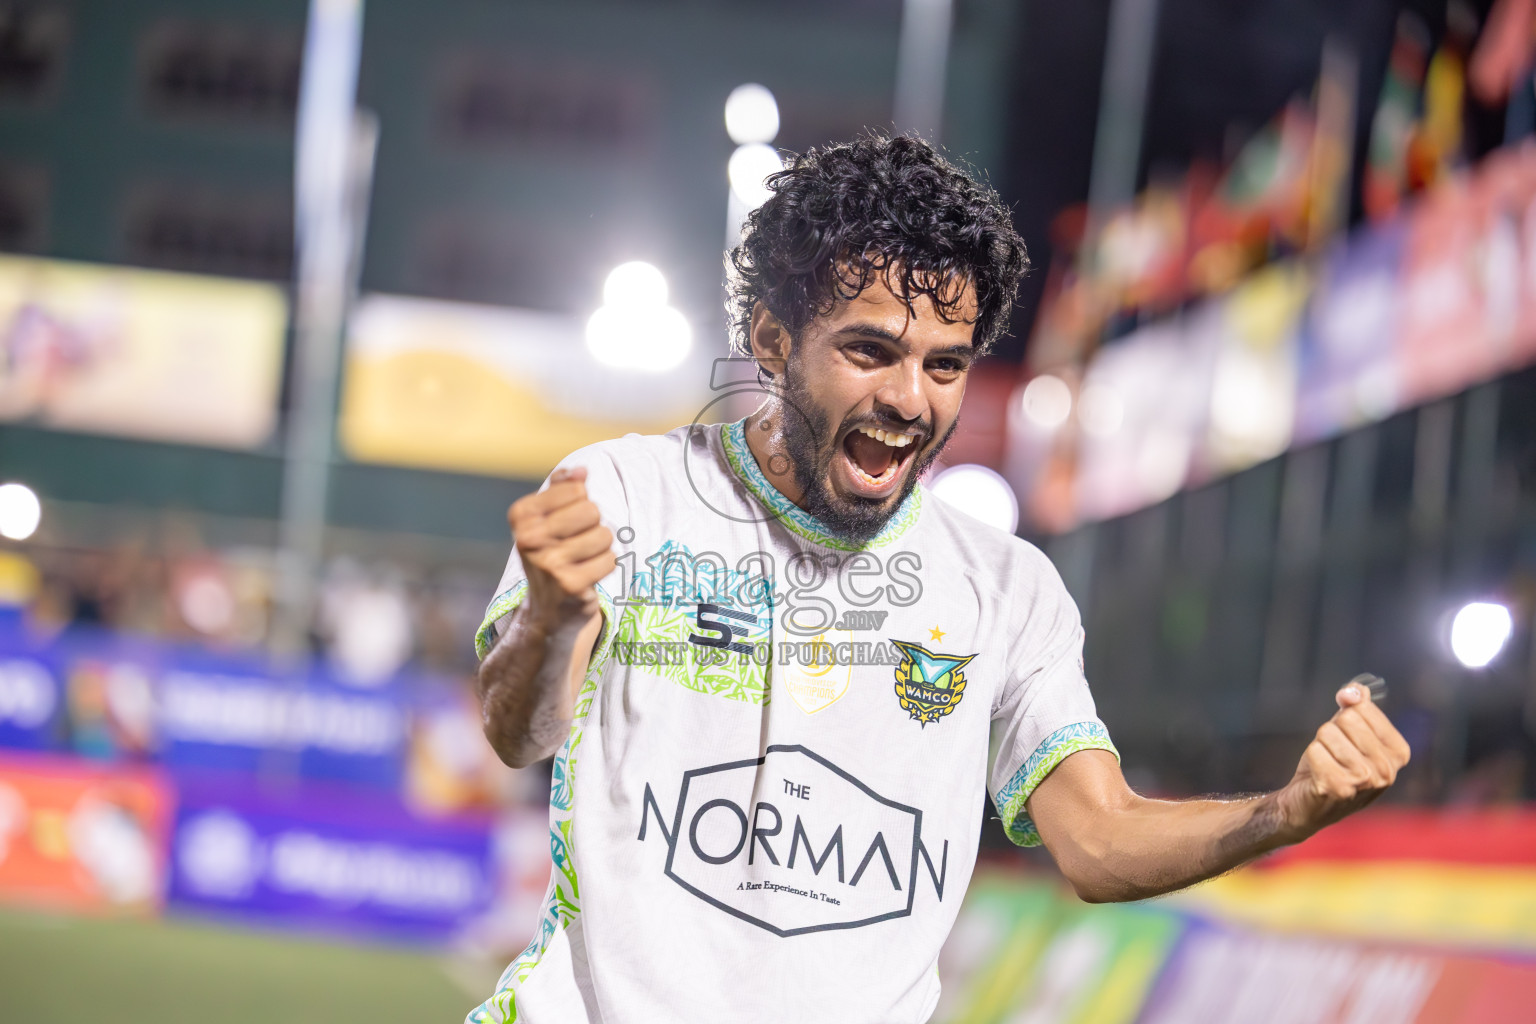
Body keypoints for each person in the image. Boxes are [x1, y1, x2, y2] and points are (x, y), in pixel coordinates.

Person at [466, 135, 1410, 1024]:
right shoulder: (627, 494)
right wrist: (553, 616)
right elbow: (522, 733)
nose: (910, 400)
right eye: (870, 350)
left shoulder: (1008, 591)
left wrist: (1288, 812)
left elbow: (1098, 839)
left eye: (945, 365)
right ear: (772, 341)